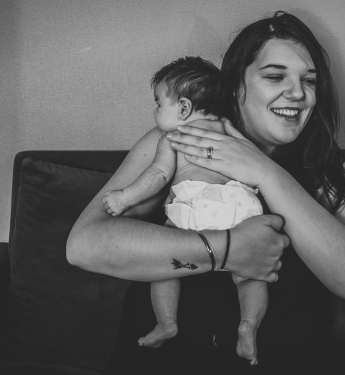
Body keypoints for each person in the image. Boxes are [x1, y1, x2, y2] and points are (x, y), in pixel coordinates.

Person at [66, 11, 345, 374]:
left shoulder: (331, 171)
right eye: (275, 76)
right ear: (234, 86)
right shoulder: (184, 140)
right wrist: (227, 248)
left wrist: (264, 171)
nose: (298, 93)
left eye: (309, 80)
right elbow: (84, 246)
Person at [101, 56, 268, 365]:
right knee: (250, 276)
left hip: (198, 205)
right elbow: (255, 159)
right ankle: (248, 324)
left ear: (184, 108)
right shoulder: (226, 128)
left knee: (164, 263)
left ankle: (167, 322)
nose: (155, 112)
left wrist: (124, 197)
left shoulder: (174, 138)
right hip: (240, 205)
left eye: (158, 104)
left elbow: (158, 175)